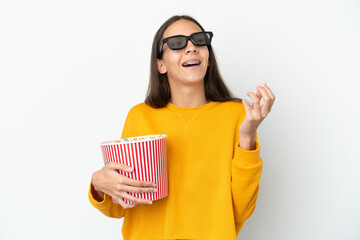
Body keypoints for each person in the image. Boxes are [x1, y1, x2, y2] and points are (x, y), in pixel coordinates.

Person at [89, 15, 275, 240]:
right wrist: (98, 184)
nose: (191, 48)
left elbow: (241, 210)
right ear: (161, 65)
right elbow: (120, 205)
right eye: (177, 43)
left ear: (208, 57)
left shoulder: (237, 116)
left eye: (199, 40)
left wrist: (247, 135)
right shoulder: (140, 116)